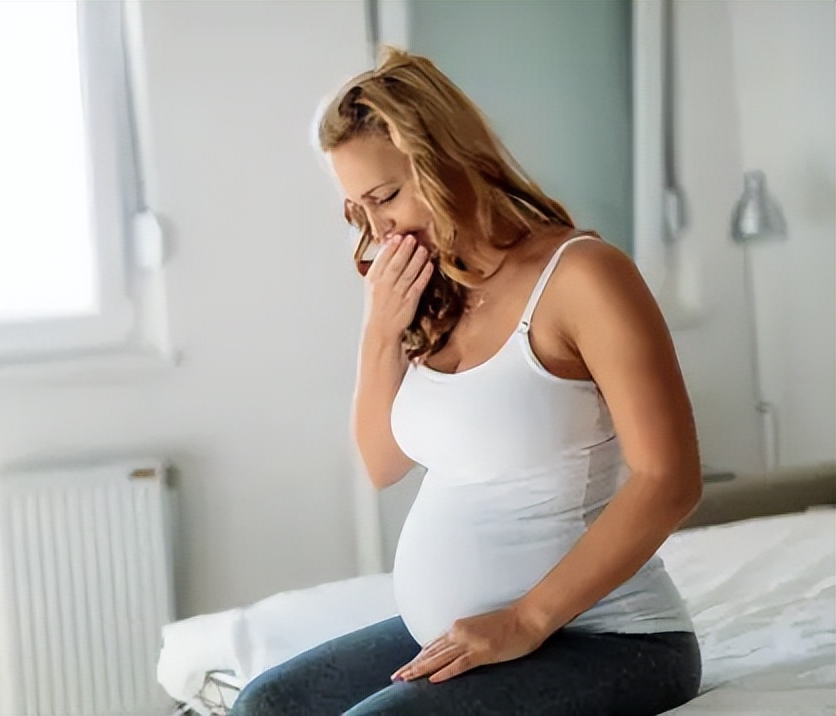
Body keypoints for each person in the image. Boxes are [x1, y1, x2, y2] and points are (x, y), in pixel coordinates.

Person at [228, 48, 703, 716]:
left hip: (607, 639)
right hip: (468, 636)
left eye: (386, 198)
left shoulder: (583, 278)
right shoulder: (436, 292)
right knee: (265, 705)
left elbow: (670, 480)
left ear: (444, 158)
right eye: (358, 212)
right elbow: (381, 464)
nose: (377, 230)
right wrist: (379, 332)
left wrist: (527, 620)